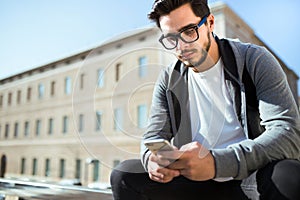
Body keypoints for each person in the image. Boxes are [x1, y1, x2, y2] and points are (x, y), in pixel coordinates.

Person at [110, 0, 300, 199]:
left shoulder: (255, 60)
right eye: (171, 38)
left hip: (250, 180)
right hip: (194, 182)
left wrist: (216, 163)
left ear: (210, 23)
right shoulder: (169, 80)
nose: (181, 46)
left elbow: (287, 134)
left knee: (290, 176)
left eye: (189, 31)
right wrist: (153, 160)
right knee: (125, 175)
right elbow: (153, 137)